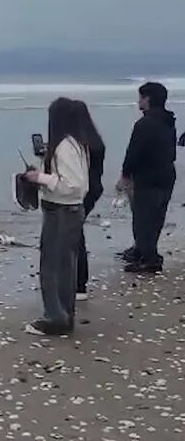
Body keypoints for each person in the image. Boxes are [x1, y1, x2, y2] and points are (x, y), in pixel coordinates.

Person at [24, 98, 89, 336]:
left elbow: (72, 185)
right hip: (68, 211)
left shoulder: (65, 147)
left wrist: (39, 178)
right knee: (65, 265)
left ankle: (55, 318)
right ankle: (63, 316)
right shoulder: (76, 144)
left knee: (53, 266)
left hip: (62, 210)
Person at [117, 82, 176, 273]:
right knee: (156, 217)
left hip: (148, 177)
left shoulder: (144, 124)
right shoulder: (169, 121)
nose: (138, 101)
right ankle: (143, 251)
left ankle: (150, 259)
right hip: (166, 174)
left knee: (143, 219)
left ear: (147, 99)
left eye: (141, 97)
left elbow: (134, 152)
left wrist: (125, 175)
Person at [72, 100, 105, 301]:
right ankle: (78, 283)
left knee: (74, 234)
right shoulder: (95, 140)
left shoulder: (77, 145)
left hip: (81, 191)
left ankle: (79, 283)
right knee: (76, 232)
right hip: (94, 188)